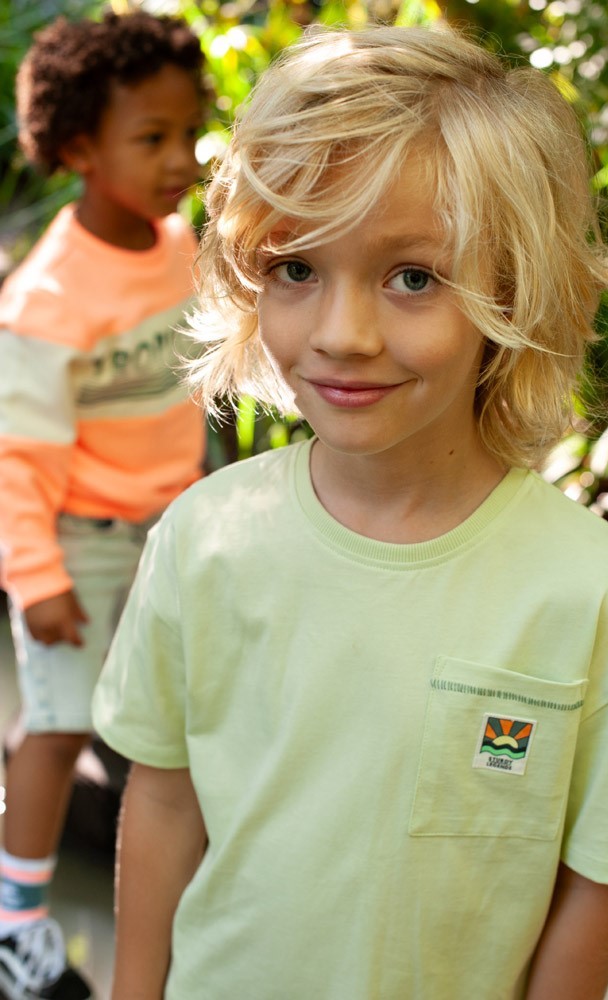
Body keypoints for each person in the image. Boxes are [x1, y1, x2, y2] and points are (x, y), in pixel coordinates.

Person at [93, 21, 608, 1000]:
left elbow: (590, 882)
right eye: (294, 269)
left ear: (511, 288)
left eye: (410, 277)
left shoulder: (591, 597)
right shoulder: (205, 539)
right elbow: (161, 797)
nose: (340, 335)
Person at [0, 10, 208, 999]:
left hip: (172, 524)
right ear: (80, 147)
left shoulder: (179, 244)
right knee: (59, 723)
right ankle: (15, 918)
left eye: (188, 132)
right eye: (153, 137)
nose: (181, 159)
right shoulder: (45, 305)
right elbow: (14, 464)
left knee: (178, 712)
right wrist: (36, 580)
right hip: (75, 539)